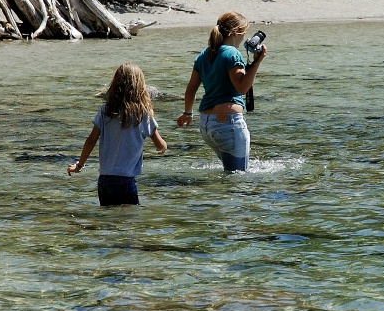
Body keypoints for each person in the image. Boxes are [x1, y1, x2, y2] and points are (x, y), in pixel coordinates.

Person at [177, 11, 267, 171]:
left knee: (230, 174)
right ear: (235, 32)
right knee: (238, 179)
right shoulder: (232, 53)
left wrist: (187, 113)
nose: (244, 38)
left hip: (206, 124)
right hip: (228, 123)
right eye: (244, 33)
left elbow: (190, 90)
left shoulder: (204, 55)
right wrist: (257, 62)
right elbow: (242, 87)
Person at [68, 62, 167, 206]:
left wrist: (79, 165)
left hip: (104, 180)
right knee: (129, 223)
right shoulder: (142, 114)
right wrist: (163, 148)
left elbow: (90, 141)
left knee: (108, 220)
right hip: (126, 181)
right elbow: (159, 144)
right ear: (140, 88)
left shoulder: (105, 111)